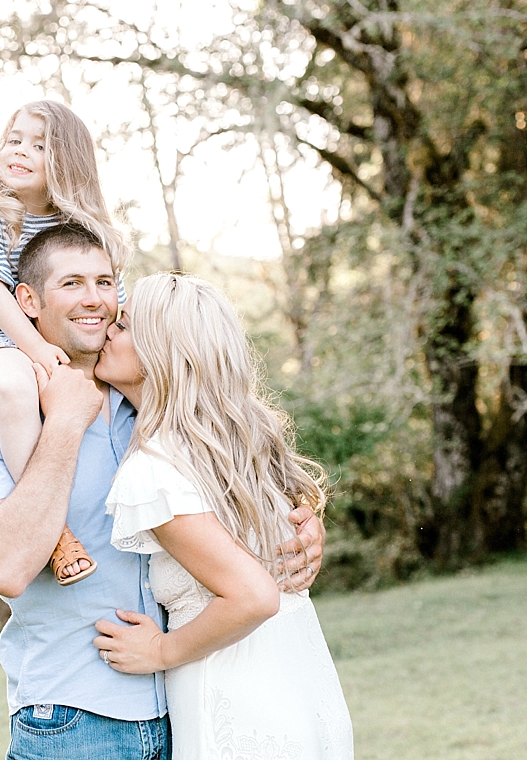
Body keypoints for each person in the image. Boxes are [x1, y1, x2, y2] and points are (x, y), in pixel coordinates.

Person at [0, 226, 329, 760]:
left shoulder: (157, 407)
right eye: (72, 283)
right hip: (77, 719)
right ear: (28, 301)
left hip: (194, 703)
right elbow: (6, 570)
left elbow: (250, 490)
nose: (94, 299)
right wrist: (64, 424)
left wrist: (303, 522)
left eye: (105, 282)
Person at [92, 272, 354, 759]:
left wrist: (161, 652)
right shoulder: (241, 447)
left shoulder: (155, 468)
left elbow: (254, 596)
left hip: (234, 697)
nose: (106, 327)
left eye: (124, 325)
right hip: (303, 691)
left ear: (161, 354)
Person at [0, 101, 130, 585]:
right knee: (13, 386)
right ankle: (55, 531)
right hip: (0, 342)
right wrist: (34, 350)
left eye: (38, 144)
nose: (20, 151)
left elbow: (114, 301)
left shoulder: (84, 228)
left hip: (51, 347)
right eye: (14, 139)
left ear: (67, 162)